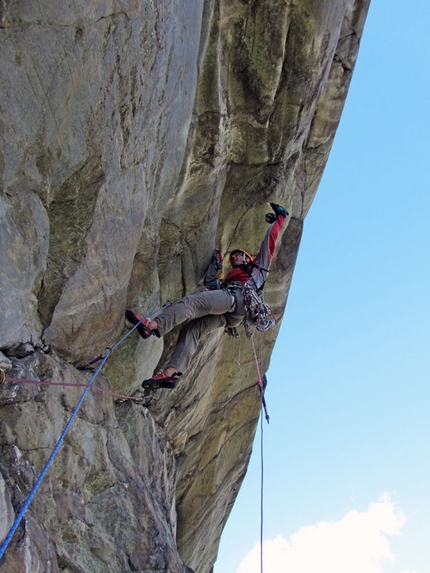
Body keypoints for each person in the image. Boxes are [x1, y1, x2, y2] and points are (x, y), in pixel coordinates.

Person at [125, 203, 288, 389]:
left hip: (237, 297)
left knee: (193, 303)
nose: (234, 256)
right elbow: (210, 283)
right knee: (192, 330)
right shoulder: (226, 280)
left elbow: (269, 244)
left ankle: (151, 325)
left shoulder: (258, 269)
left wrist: (279, 218)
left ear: (247, 259)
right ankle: (169, 374)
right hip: (231, 315)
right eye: (233, 255)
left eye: (239, 255)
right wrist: (216, 262)